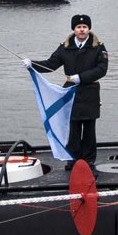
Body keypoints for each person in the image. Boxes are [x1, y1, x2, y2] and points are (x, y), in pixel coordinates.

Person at [23, 14, 108, 170]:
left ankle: (89, 160)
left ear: (89, 29)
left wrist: (81, 77)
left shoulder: (98, 47)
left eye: (84, 27)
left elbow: (102, 69)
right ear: (74, 29)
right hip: (70, 91)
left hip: (90, 91)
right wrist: (32, 64)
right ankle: (73, 158)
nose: (82, 30)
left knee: (89, 127)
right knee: (74, 127)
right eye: (78, 27)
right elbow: (51, 64)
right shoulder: (65, 47)